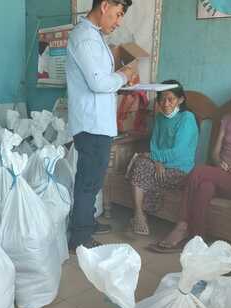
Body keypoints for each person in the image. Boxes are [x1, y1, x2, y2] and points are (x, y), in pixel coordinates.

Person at [149, 78, 231, 253]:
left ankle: (181, 226)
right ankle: (199, 241)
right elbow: (215, 154)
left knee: (198, 172)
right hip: (220, 176)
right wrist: (221, 163)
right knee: (204, 187)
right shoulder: (228, 120)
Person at [66, 0, 137, 251]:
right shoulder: (85, 37)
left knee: (92, 181)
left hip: (97, 123)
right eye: (117, 14)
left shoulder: (93, 36)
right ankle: (80, 239)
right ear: (105, 5)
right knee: (88, 182)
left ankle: (86, 223)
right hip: (92, 124)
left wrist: (119, 79)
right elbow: (98, 83)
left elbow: (101, 80)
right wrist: (124, 75)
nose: (118, 22)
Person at [127, 80, 199, 236]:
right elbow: (154, 145)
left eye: (171, 99)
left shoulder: (187, 118)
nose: (165, 103)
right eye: (162, 99)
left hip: (180, 170)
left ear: (180, 100)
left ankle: (139, 215)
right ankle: (139, 214)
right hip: (159, 165)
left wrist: (153, 158)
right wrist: (156, 161)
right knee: (140, 163)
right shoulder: (160, 118)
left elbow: (178, 152)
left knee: (141, 163)